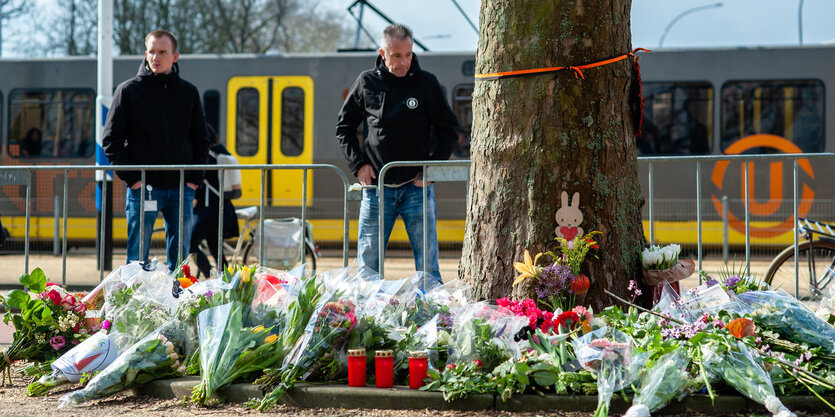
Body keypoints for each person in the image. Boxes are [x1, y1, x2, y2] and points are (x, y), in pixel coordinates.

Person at [336, 24, 459, 284]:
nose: (404, 62)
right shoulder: (366, 82)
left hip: (417, 188)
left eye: (408, 55)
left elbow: (448, 131)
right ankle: (369, 320)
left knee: (428, 267)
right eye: (396, 56)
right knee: (368, 268)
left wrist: (430, 171)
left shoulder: (426, 83)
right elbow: (344, 128)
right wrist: (358, 165)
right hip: (376, 189)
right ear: (382, 53)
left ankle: (434, 317)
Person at [102, 29, 209, 272]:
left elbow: (201, 140)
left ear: (175, 56)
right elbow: (111, 140)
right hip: (144, 187)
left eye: (162, 52)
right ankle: (134, 304)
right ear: (145, 54)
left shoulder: (189, 92)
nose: (155, 57)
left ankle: (179, 303)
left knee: (180, 259)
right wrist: (133, 179)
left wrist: (193, 181)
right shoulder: (127, 91)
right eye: (151, 51)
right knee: (137, 257)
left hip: (182, 188)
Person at [189, 124, 239, 279]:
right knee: (216, 249)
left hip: (207, 211)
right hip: (221, 209)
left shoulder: (206, 157)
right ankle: (227, 282)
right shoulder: (221, 153)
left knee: (190, 245)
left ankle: (209, 276)